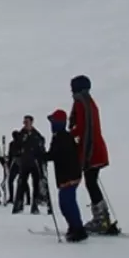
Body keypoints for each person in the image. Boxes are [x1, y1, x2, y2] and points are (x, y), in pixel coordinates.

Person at [69, 74, 115, 234]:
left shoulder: (81, 103)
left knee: (91, 182)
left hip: (92, 151)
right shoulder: (90, 102)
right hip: (97, 149)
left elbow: (82, 128)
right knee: (92, 181)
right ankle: (103, 218)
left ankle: (101, 219)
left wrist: (69, 135)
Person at [47, 109, 87, 242]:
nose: (51, 124)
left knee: (67, 202)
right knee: (66, 202)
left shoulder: (62, 138)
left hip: (70, 176)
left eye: (53, 121)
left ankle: (78, 229)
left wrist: (40, 155)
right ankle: (74, 227)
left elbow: (54, 155)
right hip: (69, 176)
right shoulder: (60, 136)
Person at [13, 116, 46, 214]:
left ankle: (35, 206)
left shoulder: (36, 135)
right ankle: (18, 205)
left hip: (34, 164)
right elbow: (15, 147)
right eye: (24, 122)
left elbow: (41, 148)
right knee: (21, 184)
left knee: (36, 185)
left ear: (31, 122)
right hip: (24, 163)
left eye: (27, 122)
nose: (25, 124)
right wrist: (18, 156)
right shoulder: (21, 134)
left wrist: (41, 160)